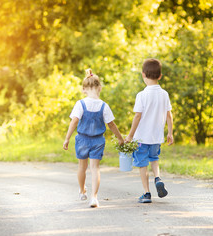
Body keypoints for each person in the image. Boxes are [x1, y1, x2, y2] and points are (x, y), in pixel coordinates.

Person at [63, 69, 124, 208]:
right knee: (95, 168)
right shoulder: (104, 106)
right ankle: (94, 197)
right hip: (98, 140)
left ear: (84, 89)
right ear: (100, 88)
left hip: (82, 139)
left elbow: (74, 122)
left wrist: (67, 138)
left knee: (82, 167)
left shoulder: (80, 104)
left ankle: (82, 190)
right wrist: (120, 138)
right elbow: (111, 124)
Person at [125, 58, 174, 203]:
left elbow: (138, 116)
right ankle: (157, 177)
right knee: (154, 159)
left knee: (142, 164)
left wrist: (130, 136)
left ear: (143, 75)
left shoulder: (142, 95)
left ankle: (146, 193)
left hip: (141, 138)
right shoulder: (164, 94)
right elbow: (169, 115)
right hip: (156, 137)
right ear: (160, 76)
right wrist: (170, 133)